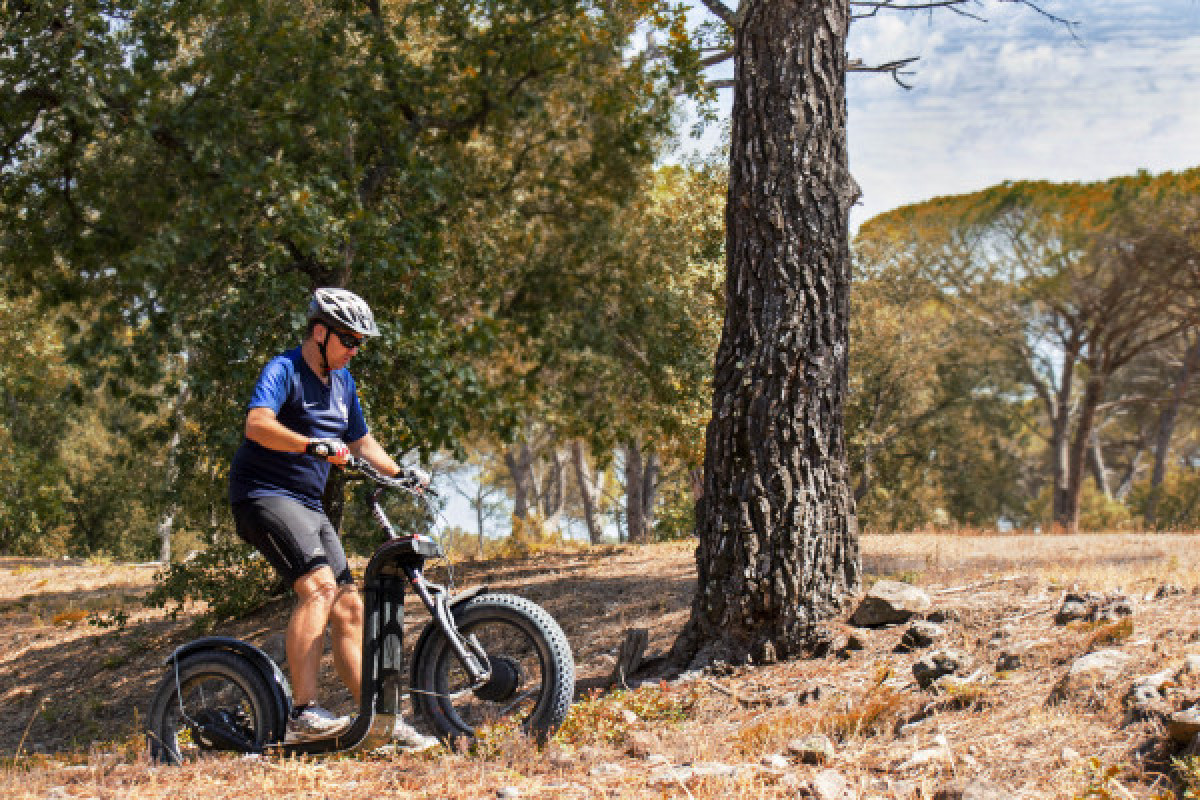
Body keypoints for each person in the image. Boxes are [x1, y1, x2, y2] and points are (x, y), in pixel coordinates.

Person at [228, 287, 438, 750]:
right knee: (318, 587)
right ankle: (302, 714)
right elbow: (257, 424)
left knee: (349, 605)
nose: (355, 349)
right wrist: (309, 444)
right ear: (320, 333)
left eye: (361, 342)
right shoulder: (284, 370)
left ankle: (377, 722)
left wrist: (403, 473)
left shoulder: (343, 383)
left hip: (307, 502)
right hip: (263, 495)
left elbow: (361, 443)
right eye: (349, 340)